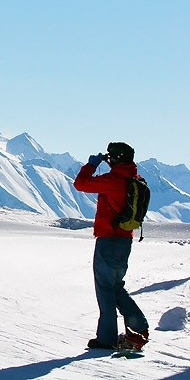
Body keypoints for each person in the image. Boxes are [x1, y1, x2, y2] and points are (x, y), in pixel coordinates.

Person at [73, 142, 149, 351]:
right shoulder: (135, 178)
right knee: (116, 287)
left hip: (108, 240)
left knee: (105, 289)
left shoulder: (114, 180)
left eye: (111, 157)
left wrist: (91, 165)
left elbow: (80, 184)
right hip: (125, 241)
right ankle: (138, 328)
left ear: (116, 159)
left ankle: (107, 339)